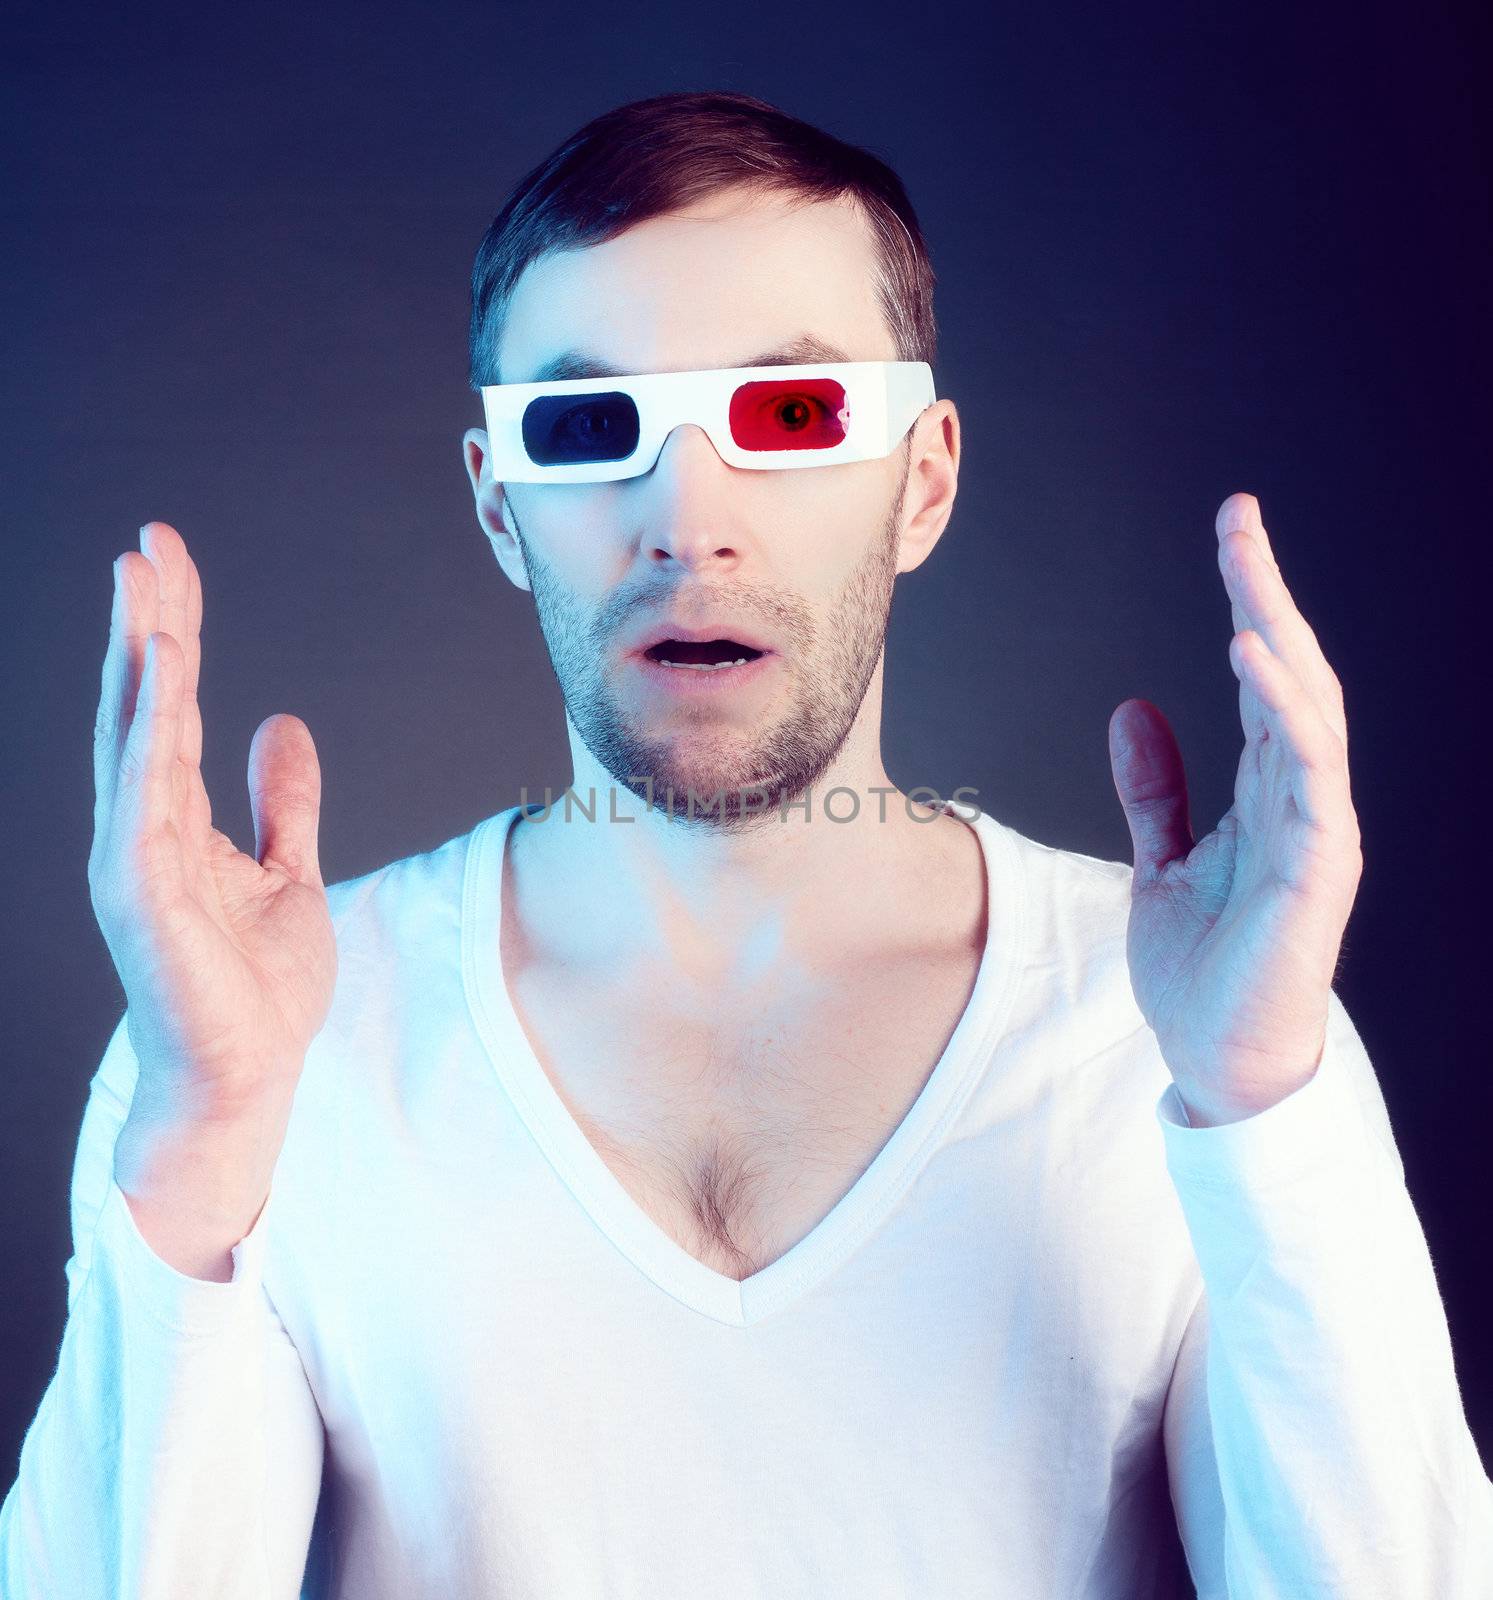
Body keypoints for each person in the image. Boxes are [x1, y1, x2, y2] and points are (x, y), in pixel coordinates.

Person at [1, 88, 1489, 1600]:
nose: (686, 519)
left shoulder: (1189, 1033)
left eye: (792, 416)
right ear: (502, 509)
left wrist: (1258, 1115)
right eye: (589, 429)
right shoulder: (256, 1055)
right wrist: (198, 1154)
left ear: (922, 478)